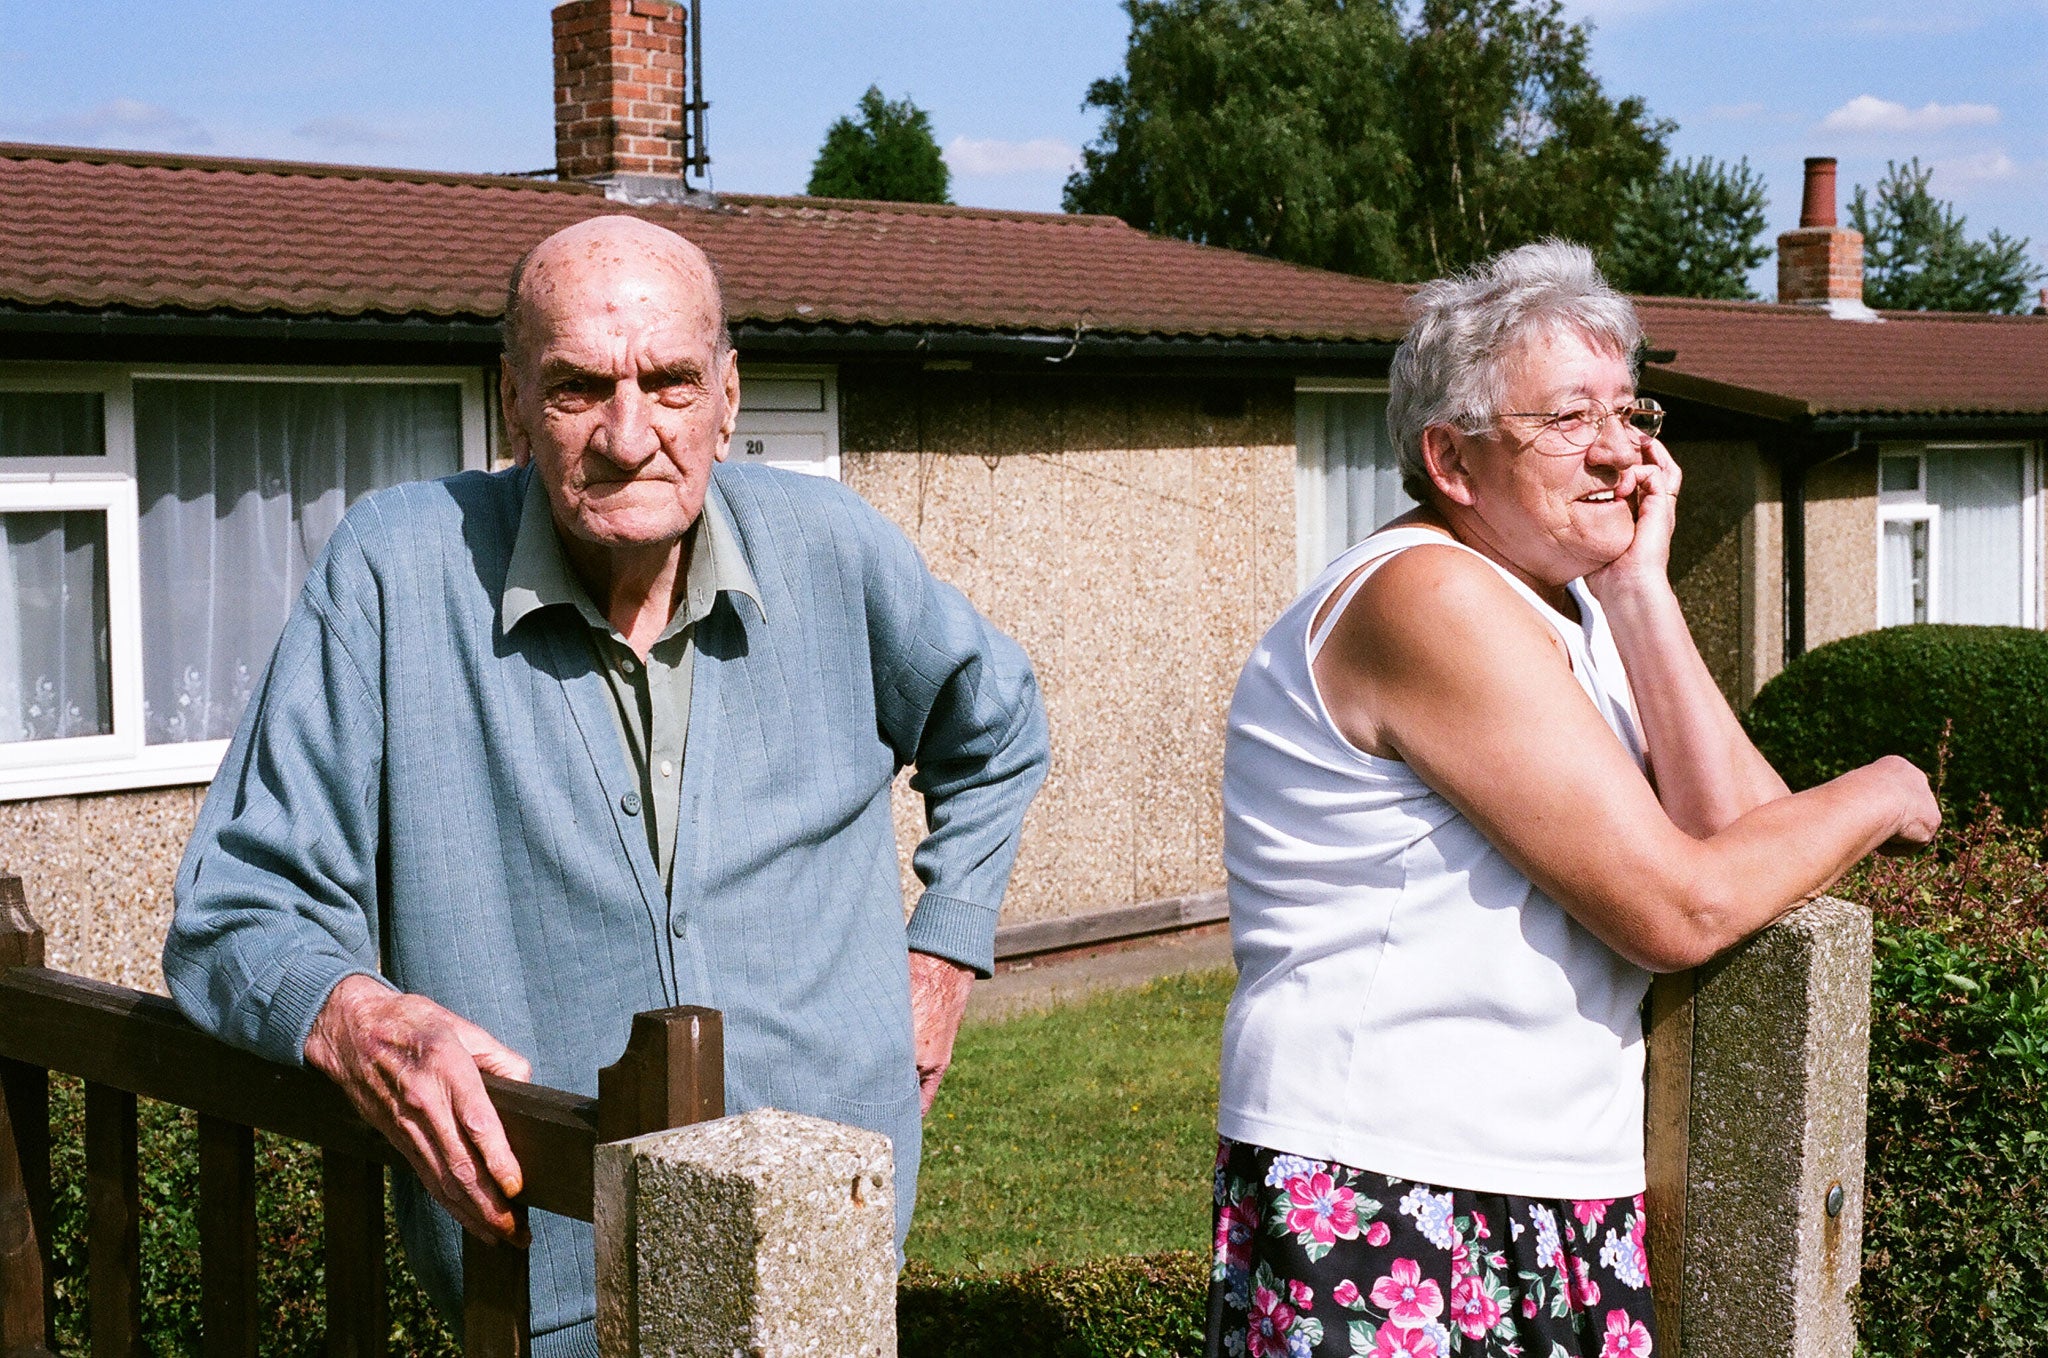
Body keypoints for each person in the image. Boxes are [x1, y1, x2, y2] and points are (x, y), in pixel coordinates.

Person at [164, 215, 1049, 1355]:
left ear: (729, 398)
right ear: (513, 401)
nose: (630, 436)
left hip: (825, 1251)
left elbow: (999, 724)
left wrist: (942, 949)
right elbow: (236, 908)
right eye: (580, 387)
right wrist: (358, 1014)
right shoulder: (395, 572)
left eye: (671, 383)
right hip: (540, 1283)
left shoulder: (832, 548)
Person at [1207, 241, 1936, 1358]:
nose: (1620, 453)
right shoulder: (1428, 597)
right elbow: (1677, 906)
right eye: (1566, 420)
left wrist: (1639, 592)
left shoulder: (1556, 603)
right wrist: (1882, 785)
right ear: (1450, 459)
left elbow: (1739, 832)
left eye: (1627, 408)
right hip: (1394, 1176)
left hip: (1539, 1172)